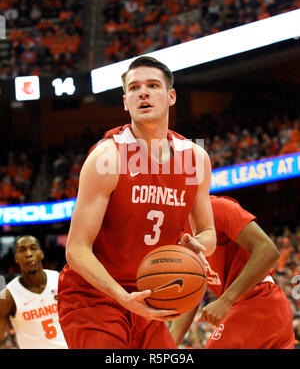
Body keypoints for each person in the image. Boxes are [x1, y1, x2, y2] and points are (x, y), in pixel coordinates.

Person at [57, 56, 216, 349]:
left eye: (153, 85)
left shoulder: (195, 158)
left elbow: (208, 233)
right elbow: (76, 249)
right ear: (125, 102)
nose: (143, 92)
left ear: (171, 96)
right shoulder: (108, 157)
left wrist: (199, 247)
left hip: (146, 292)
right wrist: (122, 298)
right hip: (94, 294)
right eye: (134, 88)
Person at [170, 195, 295, 349]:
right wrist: (169, 344)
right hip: (256, 310)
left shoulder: (217, 207)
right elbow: (191, 295)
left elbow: (268, 250)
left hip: (259, 301)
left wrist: (225, 300)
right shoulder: (177, 232)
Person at [0, 235, 68, 349]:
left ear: (41, 253)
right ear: (16, 258)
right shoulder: (8, 296)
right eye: (22, 250)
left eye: (33, 248)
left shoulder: (60, 280)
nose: (28, 254)